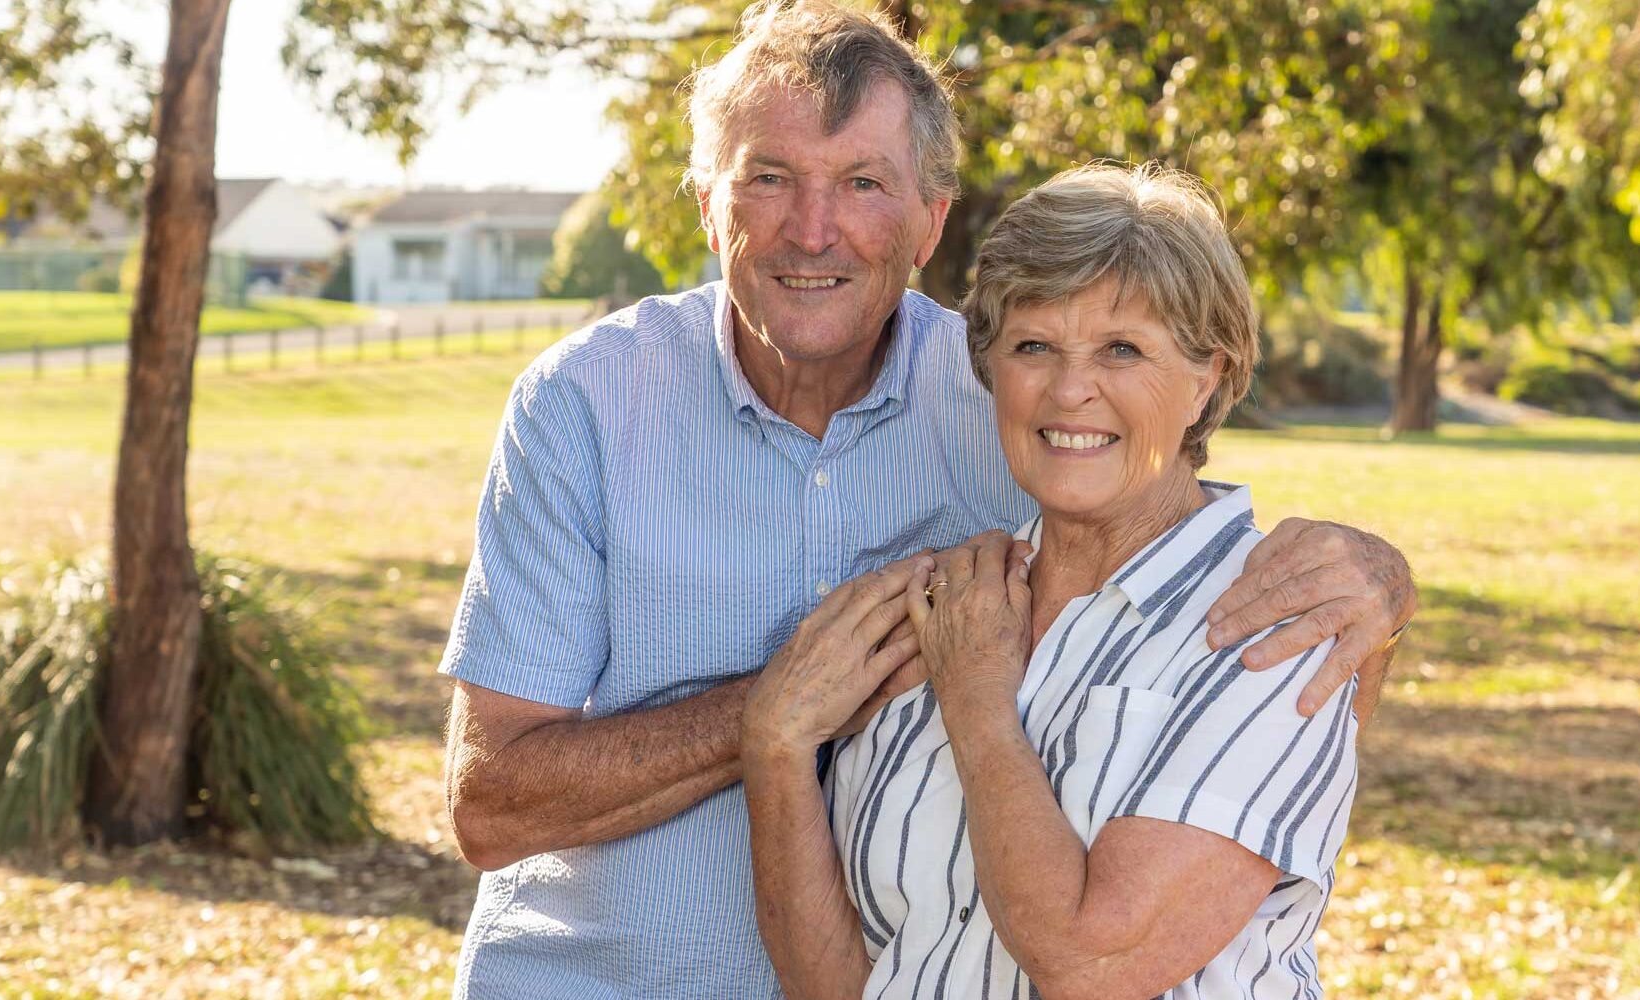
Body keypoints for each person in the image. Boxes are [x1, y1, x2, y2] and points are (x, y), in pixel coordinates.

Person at [437, 4, 1413, 998]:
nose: (811, 229)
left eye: (862, 184)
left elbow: (1212, 595)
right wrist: (779, 711)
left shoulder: (1005, 409)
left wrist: (1379, 589)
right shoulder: (584, 404)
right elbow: (490, 807)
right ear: (704, 203)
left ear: (927, 221)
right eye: (768, 177)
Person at [742, 163, 1358, 999]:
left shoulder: (1276, 625)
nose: (1071, 391)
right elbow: (842, 982)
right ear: (992, 368)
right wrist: (777, 751)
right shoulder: (949, 596)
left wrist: (979, 701)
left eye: (1122, 349)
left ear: (1206, 377)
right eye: (1033, 346)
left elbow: (1093, 964)